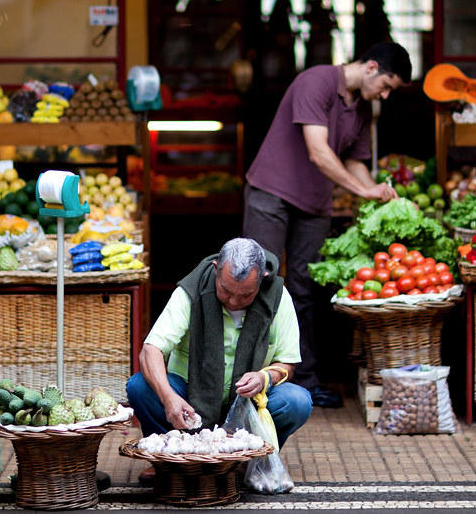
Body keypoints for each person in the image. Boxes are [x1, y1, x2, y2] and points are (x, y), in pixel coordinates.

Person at [243, 41, 411, 408]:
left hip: (314, 205)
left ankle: (304, 380)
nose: (384, 94)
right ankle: (245, 380)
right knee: (260, 281)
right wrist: (362, 191)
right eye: (385, 85)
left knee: (304, 289)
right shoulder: (316, 81)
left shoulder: (362, 109)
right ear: (370, 67)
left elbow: (355, 162)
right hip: (271, 193)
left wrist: (376, 190)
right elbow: (319, 152)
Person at [126, 238, 313, 482]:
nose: (233, 301)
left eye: (245, 295)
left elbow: (287, 363)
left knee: (297, 401)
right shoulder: (190, 291)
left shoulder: (278, 297)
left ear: (263, 278)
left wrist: (264, 377)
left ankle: (249, 459)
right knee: (140, 387)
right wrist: (169, 398)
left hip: (248, 404)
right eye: (225, 290)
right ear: (216, 269)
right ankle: (166, 459)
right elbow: (150, 350)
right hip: (189, 400)